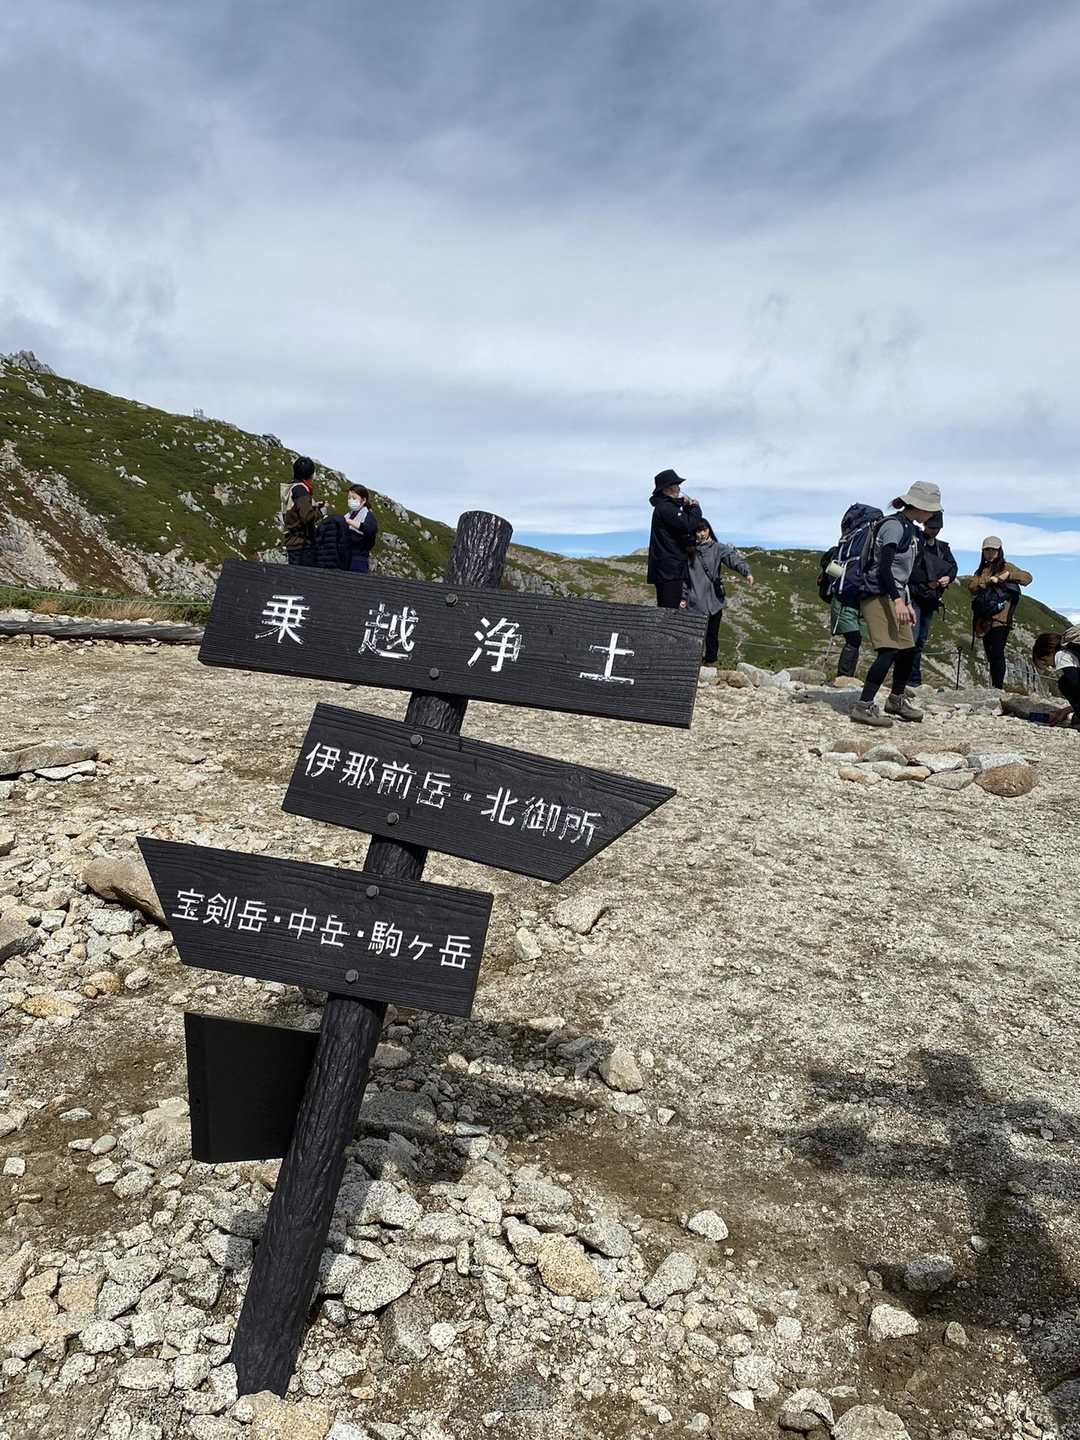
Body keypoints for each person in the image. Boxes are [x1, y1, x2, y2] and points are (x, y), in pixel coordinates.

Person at [850, 481, 942, 728]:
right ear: (920, 507)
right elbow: (883, 568)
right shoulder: (894, 526)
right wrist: (898, 601)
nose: (932, 515)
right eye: (931, 510)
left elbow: (902, 573)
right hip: (877, 593)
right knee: (889, 649)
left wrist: (906, 602)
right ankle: (863, 706)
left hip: (895, 595)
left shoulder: (909, 528)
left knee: (907, 649)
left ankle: (896, 700)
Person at [681, 519, 754, 663]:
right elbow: (684, 577)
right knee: (694, 636)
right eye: (698, 531)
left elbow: (733, 559)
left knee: (712, 636)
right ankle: (692, 664)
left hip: (714, 601)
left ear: (709, 530)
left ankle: (710, 663)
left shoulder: (718, 548)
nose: (702, 534)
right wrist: (683, 597)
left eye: (704, 530)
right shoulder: (689, 551)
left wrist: (746, 572)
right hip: (695, 601)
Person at [968, 538, 1033, 689]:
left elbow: (1027, 578)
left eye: (993, 550)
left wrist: (1007, 575)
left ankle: (998, 687)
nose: (990, 553)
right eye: (987, 550)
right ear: (983, 552)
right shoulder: (980, 571)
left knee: (997, 652)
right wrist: (988, 581)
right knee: (990, 653)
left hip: (1001, 618)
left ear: (999, 551)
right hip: (984, 619)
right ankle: (995, 686)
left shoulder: (1007, 566)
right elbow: (972, 587)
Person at [908, 511, 958, 688]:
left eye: (937, 528)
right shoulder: (915, 542)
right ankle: (909, 678)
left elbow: (953, 568)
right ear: (925, 525)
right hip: (915, 596)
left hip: (930, 599)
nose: (934, 531)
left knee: (920, 640)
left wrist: (948, 578)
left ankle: (913, 679)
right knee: (912, 639)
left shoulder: (943, 548)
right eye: (931, 527)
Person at [648, 469, 702, 608]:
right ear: (666, 489)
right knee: (669, 611)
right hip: (669, 571)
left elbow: (682, 528)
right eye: (676, 485)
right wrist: (695, 508)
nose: (679, 488)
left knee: (670, 610)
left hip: (669, 570)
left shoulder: (666, 507)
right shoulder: (666, 507)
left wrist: (685, 506)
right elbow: (688, 524)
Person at [1033, 627, 1080, 726]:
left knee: (1064, 683)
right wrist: (1066, 711)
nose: (1050, 666)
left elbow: (1076, 684)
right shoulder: (1073, 652)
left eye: (1046, 662)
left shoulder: (1061, 656)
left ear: (1050, 652)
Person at [282, 456, 322, 567]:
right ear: (311, 475)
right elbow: (307, 517)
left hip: (293, 543)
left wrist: (314, 506)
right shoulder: (301, 490)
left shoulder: (292, 488)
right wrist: (321, 512)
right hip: (302, 545)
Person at [344, 484, 378, 573]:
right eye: (349, 498)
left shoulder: (368, 515)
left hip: (359, 560)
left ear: (363, 500)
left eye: (354, 498)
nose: (350, 501)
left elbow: (371, 529)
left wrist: (349, 522)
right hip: (345, 558)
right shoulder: (348, 515)